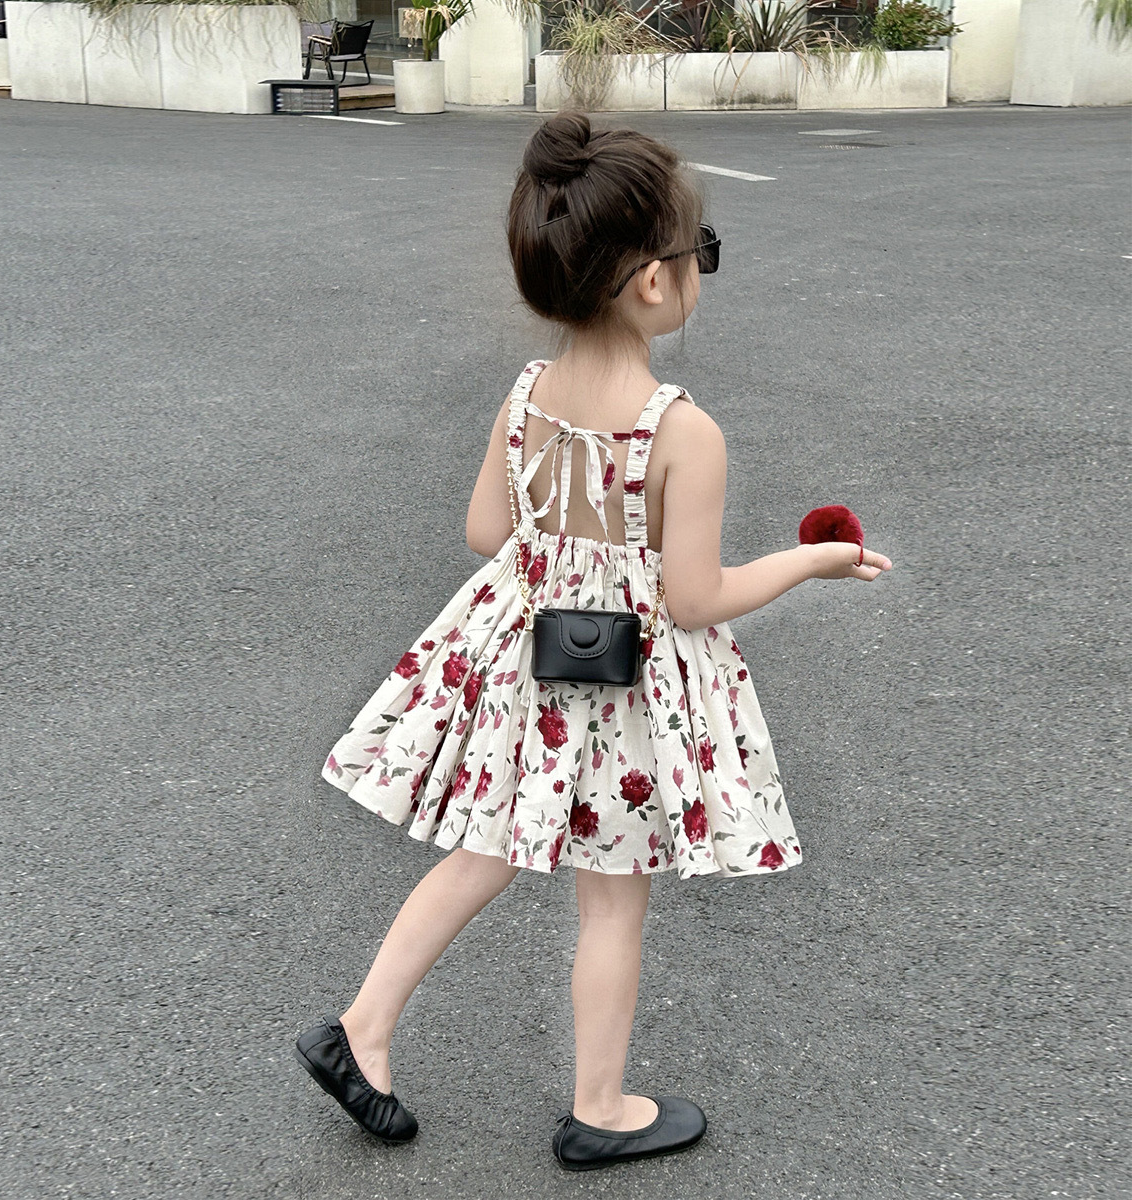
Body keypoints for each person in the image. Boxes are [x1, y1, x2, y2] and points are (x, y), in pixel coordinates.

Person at [294, 111, 893, 1171]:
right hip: (623, 693)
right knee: (612, 897)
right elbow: (696, 598)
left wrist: (561, 546)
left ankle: (362, 1029)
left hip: (522, 663)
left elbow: (488, 532)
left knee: (481, 851)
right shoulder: (682, 432)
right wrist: (814, 561)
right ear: (654, 281)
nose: (700, 269)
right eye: (701, 251)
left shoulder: (526, 396)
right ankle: (600, 1106)